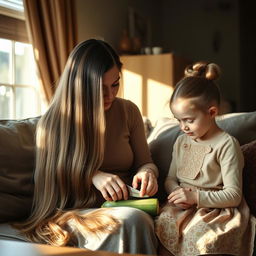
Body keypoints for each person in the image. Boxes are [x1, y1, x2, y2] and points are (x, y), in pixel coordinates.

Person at [14, 39, 159, 254]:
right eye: (101, 88)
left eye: (115, 84)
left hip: (128, 202)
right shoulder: (55, 121)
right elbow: (52, 181)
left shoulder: (128, 111)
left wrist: (147, 172)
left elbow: (146, 162)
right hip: (76, 211)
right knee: (134, 221)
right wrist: (93, 174)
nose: (111, 95)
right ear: (80, 85)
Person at [155, 62, 254, 256]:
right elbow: (170, 179)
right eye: (178, 120)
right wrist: (177, 193)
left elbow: (233, 195)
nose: (183, 127)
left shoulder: (227, 144)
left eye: (189, 120)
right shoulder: (181, 142)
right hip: (182, 208)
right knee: (161, 225)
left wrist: (195, 197)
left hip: (216, 210)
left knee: (199, 238)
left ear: (212, 112)